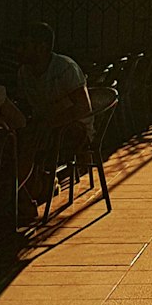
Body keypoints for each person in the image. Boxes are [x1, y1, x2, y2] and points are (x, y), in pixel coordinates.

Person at [16, 23, 94, 205]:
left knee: (32, 144)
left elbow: (84, 107)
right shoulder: (24, 72)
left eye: (25, 46)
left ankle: (18, 196)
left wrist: (49, 123)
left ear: (41, 47)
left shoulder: (65, 68)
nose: (19, 51)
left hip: (74, 128)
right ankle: (32, 187)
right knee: (15, 141)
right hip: (44, 125)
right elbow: (25, 106)